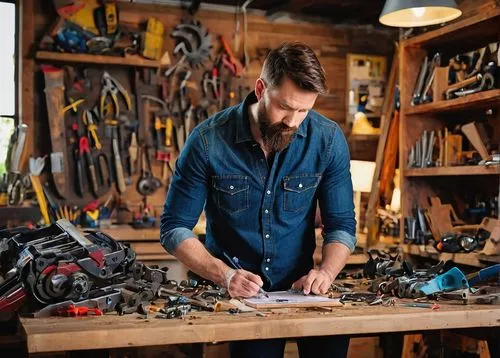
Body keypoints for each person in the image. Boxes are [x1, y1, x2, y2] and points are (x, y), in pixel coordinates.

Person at [161, 42, 356, 358]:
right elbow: (174, 229)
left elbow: (342, 226)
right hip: (239, 297)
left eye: (304, 111)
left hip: (304, 290)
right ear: (261, 88)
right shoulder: (208, 141)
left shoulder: (327, 139)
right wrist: (224, 275)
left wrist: (326, 273)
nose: (293, 122)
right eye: (284, 107)